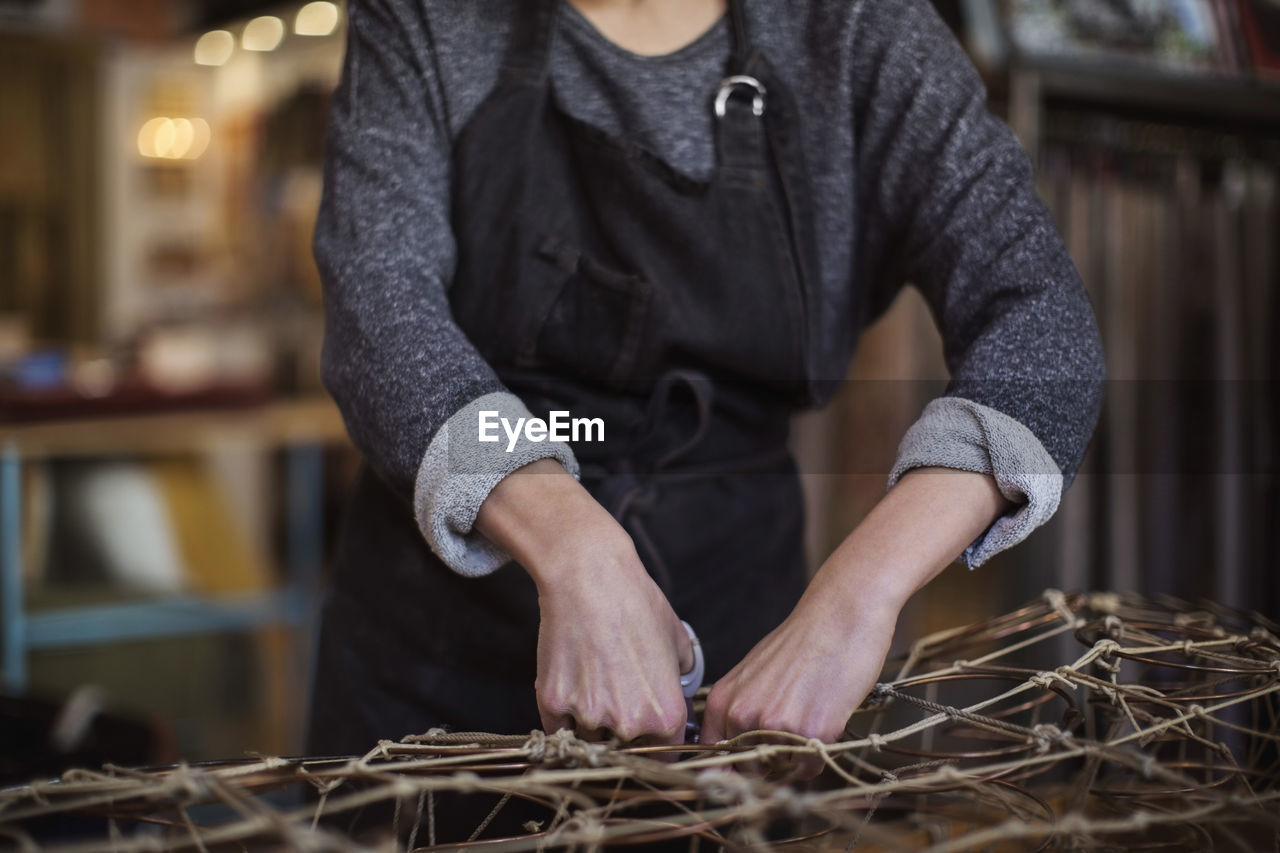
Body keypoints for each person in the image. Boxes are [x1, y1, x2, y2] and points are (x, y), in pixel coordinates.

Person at [306, 0, 1105, 762]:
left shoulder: (863, 29)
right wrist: (575, 546)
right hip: (434, 660)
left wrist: (858, 599)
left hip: (739, 637)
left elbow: (1043, 331)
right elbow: (380, 309)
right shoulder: (424, 16)